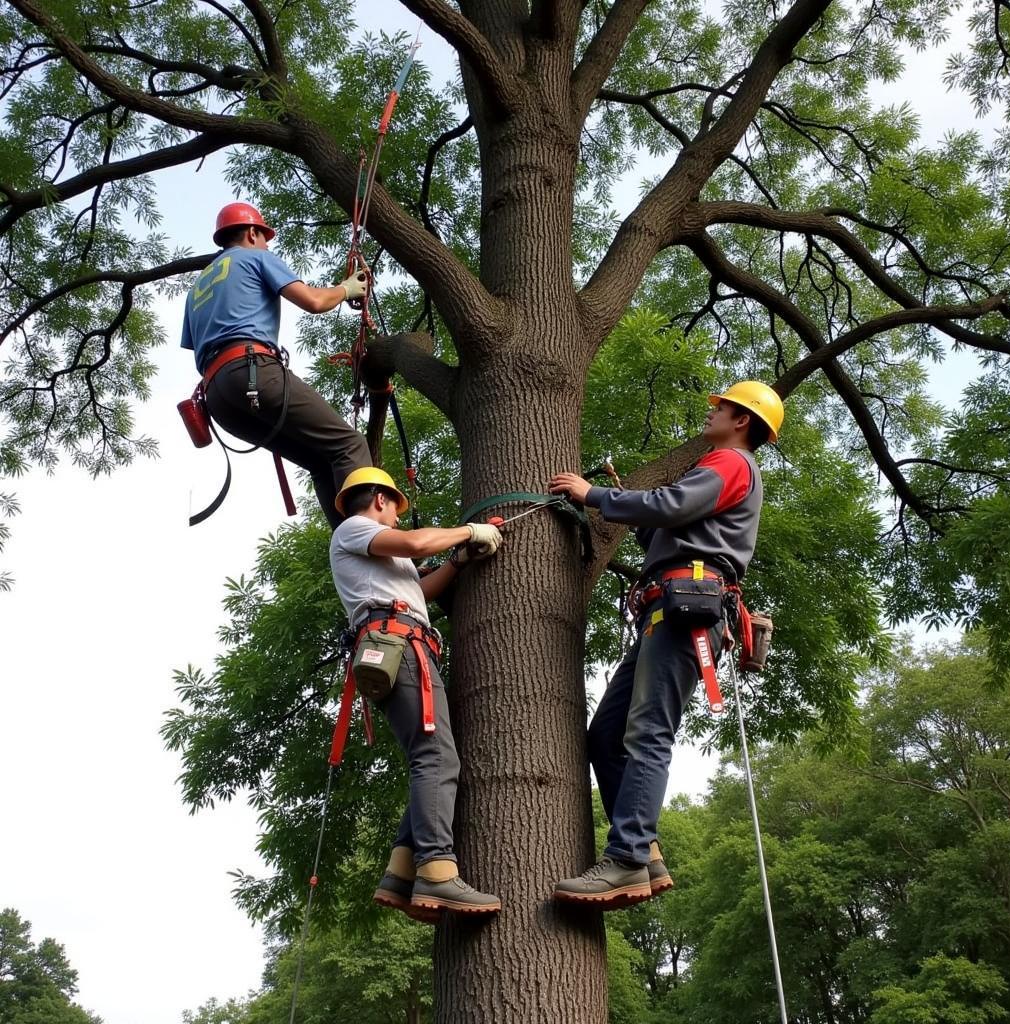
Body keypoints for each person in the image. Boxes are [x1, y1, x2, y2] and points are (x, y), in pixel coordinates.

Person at [547, 381, 784, 907]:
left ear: (742, 420)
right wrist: (640, 524)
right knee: (606, 736)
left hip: (687, 610)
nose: (713, 412)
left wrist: (597, 497)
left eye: (720, 407)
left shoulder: (731, 462)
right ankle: (644, 850)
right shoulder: (726, 468)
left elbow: (671, 504)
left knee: (648, 731)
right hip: (666, 607)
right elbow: (671, 524)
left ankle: (626, 858)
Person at [330, 467, 504, 919]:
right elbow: (415, 542)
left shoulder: (382, 563)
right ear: (382, 500)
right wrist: (470, 528)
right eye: (394, 509)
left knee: (431, 757)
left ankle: (403, 869)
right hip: (398, 644)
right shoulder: (355, 528)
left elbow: (419, 591)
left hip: (402, 642)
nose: (395, 518)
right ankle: (438, 872)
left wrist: (458, 561)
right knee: (436, 759)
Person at [181, 201, 371, 527]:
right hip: (253, 373)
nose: (268, 244)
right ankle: (374, 543)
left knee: (322, 460)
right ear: (253, 233)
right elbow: (314, 301)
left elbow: (195, 345)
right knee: (349, 443)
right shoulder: (256, 257)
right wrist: (346, 288)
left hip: (218, 398)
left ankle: (350, 554)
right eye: (265, 237)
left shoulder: (199, 286)